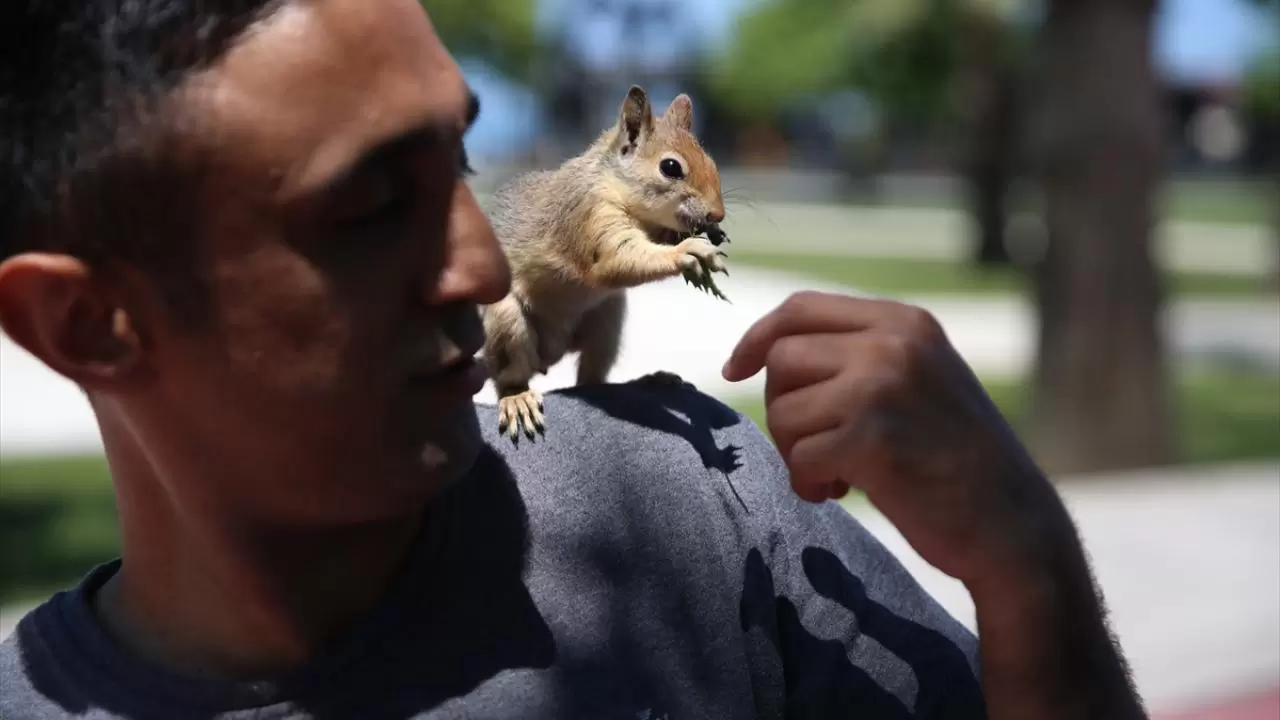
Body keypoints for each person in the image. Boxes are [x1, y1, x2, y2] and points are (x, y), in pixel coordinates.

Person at [0, 1, 1147, 718]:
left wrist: (1024, 570)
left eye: (457, 163)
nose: (477, 262)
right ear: (86, 325)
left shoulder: (693, 499)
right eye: (366, 209)